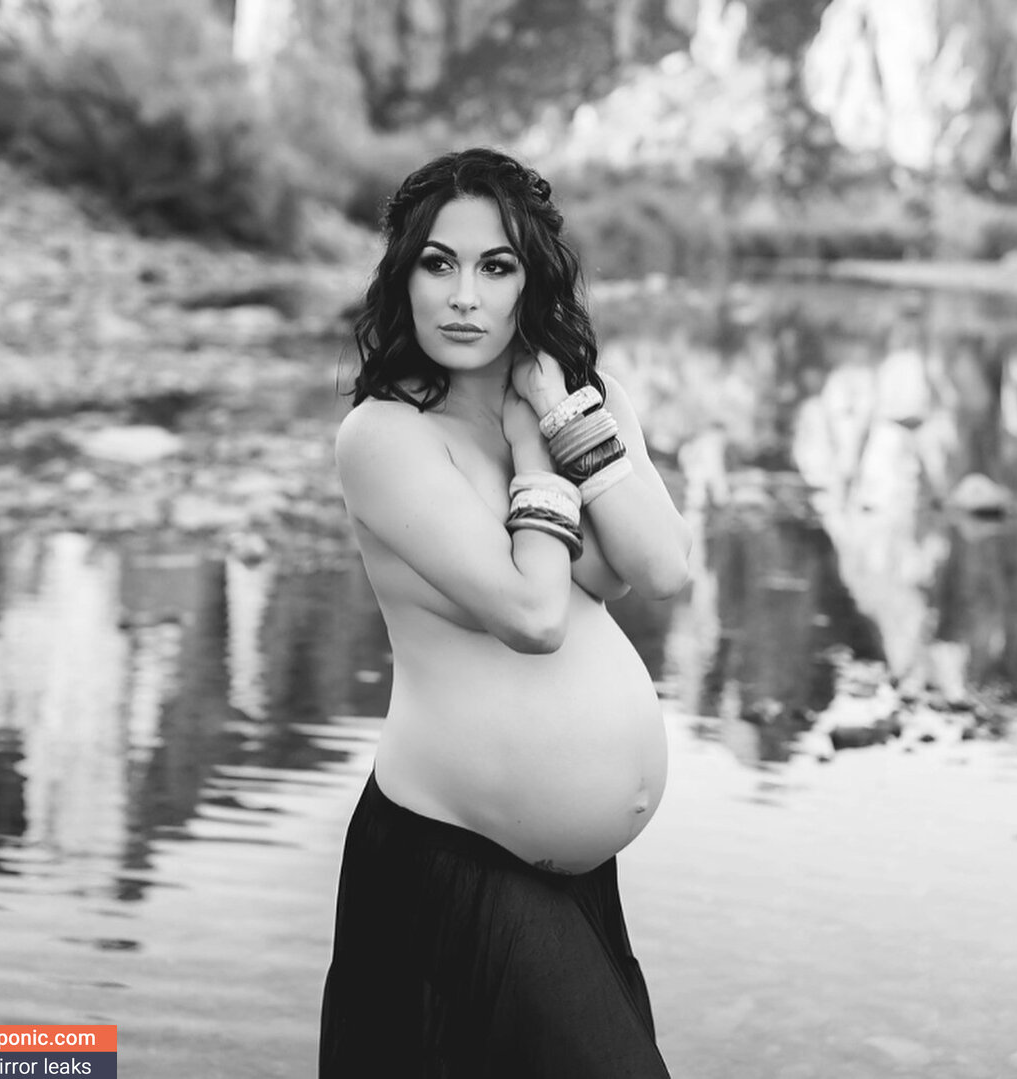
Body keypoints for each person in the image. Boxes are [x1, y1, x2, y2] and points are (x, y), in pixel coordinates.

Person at [320, 147, 691, 1077]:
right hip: (452, 858)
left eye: (495, 267)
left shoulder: (586, 401)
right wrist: (532, 455)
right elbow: (533, 612)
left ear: (533, 280)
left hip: (576, 876)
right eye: (437, 263)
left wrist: (561, 416)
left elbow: (661, 567)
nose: (463, 296)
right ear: (404, 277)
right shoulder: (385, 436)